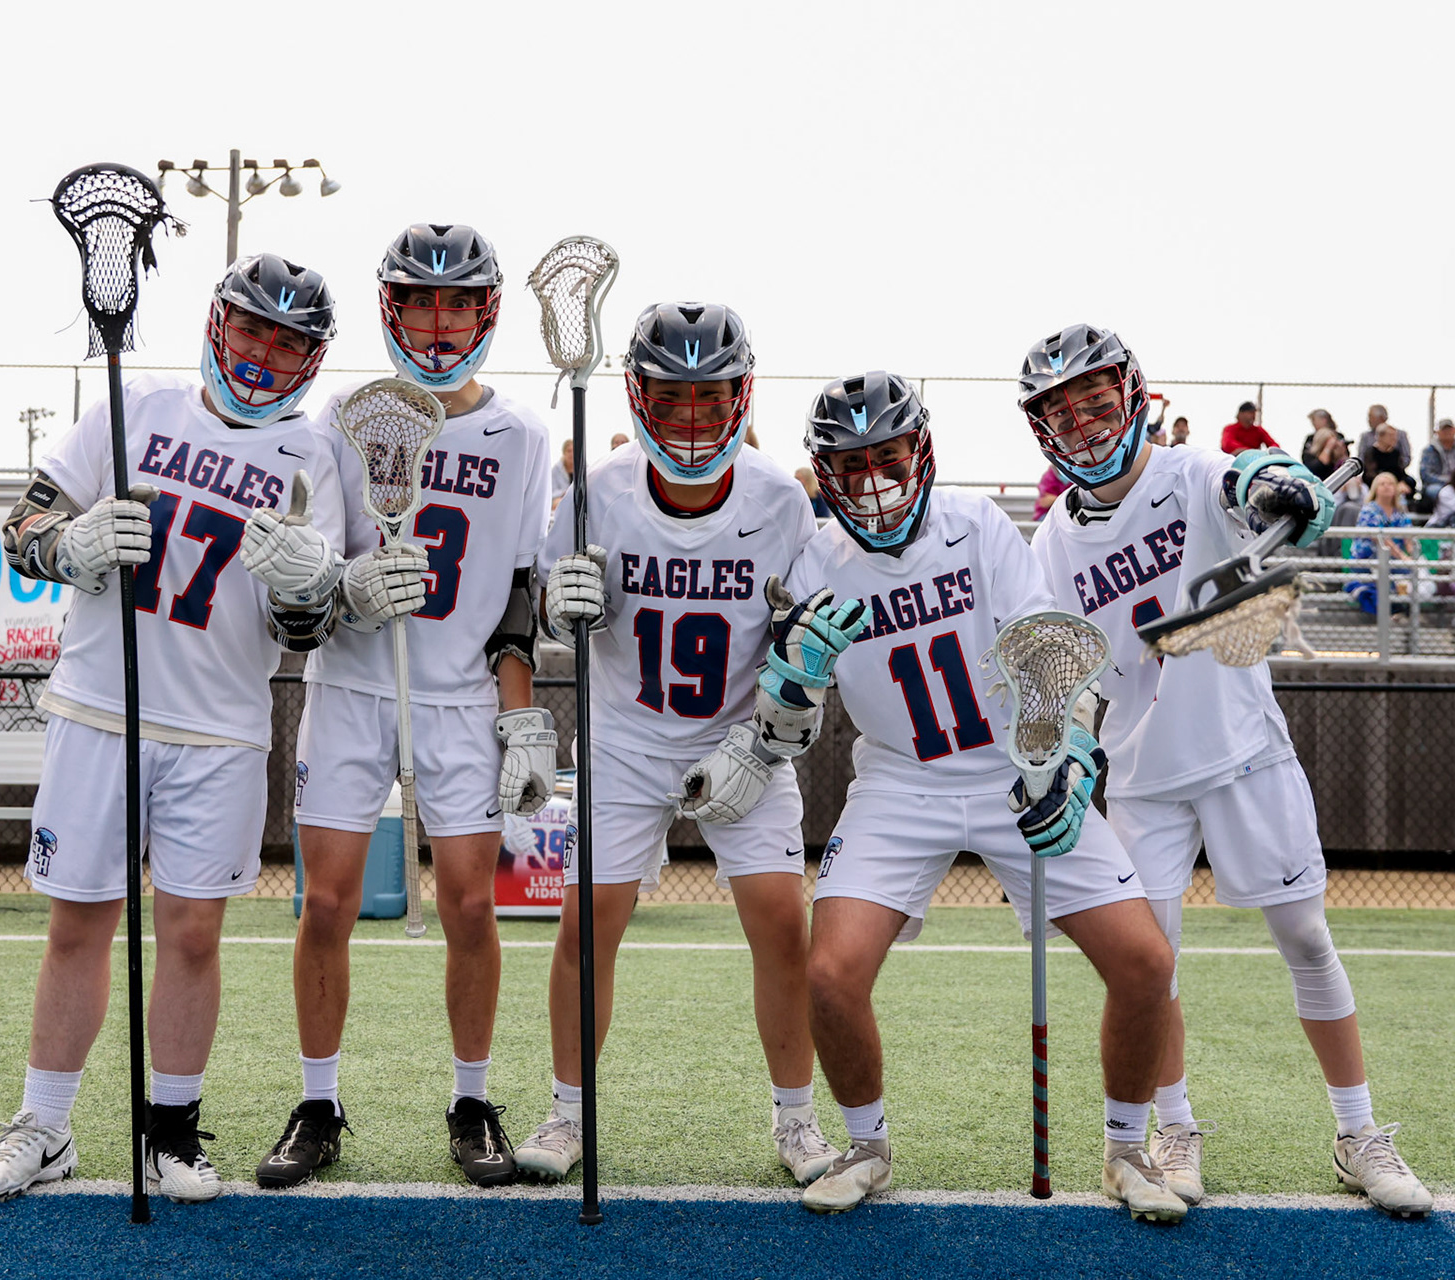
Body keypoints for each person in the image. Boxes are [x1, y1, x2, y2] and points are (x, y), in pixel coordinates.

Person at [0, 253, 345, 1206]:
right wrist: (72, 545)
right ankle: (44, 1127)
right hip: (100, 706)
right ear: (219, 326)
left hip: (222, 726)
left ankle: (170, 1129)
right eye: (253, 328)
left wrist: (305, 585)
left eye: (288, 340)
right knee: (79, 923)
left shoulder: (313, 455)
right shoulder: (132, 411)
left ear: (312, 356)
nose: (264, 352)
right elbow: (23, 530)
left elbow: (311, 627)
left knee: (193, 934)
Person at [1020, 324, 1431, 1219]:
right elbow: (1066, 659)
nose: (1084, 423)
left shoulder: (1189, 471)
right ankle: (1174, 1127)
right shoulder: (1053, 535)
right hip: (1139, 777)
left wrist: (1280, 480)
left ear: (1132, 396)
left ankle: (1357, 1133)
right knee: (1153, 968)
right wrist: (1066, 742)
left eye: (1095, 400)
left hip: (1245, 752)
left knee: (1307, 939)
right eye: (1063, 411)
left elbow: (1250, 479)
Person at [784, 369, 1183, 1221]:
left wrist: (1066, 756)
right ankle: (866, 1143)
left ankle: (1125, 1149)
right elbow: (788, 718)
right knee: (828, 974)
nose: (874, 481)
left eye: (887, 456)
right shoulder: (814, 560)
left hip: (1014, 766)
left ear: (920, 450)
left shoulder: (975, 527)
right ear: (826, 472)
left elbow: (1049, 649)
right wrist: (791, 682)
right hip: (900, 782)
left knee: (1146, 962)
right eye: (851, 466)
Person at [520, 304, 841, 1190]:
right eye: (672, 397)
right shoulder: (600, 494)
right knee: (587, 924)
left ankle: (797, 1119)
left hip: (741, 738)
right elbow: (547, 609)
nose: (691, 417)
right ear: (640, 396)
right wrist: (564, 605)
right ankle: (567, 1111)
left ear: (740, 397)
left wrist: (769, 732)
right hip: (625, 734)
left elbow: (800, 642)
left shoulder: (780, 501)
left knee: (782, 923)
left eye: (709, 398)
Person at [267, 223, 554, 1191]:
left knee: (472, 902)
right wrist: (348, 585)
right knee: (330, 903)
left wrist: (520, 716)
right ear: (393, 308)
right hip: (351, 684)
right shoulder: (340, 416)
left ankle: (472, 1097)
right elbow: (306, 582)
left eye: (458, 302)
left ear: (486, 311)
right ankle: (318, 1099)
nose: (441, 321)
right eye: (422, 301)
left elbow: (519, 584)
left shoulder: (521, 434)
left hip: (461, 691)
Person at [1347, 473, 1415, 614]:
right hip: (1367, 560)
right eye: (1382, 484)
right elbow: (1379, 538)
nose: (1386, 487)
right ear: (1375, 489)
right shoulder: (1369, 510)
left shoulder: (1400, 513)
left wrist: (1412, 554)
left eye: (1390, 484)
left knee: (1414, 576)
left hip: (1393, 562)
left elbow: (1408, 537)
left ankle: (1404, 613)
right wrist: (1403, 557)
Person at [1416, 418, 1455, 512]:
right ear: (1437, 432)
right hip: (1438, 484)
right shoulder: (1429, 451)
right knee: (1435, 491)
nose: (1447, 432)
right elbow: (1425, 474)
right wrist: (1448, 481)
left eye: (1449, 429)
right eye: (1444, 430)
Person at [1356, 421, 1414, 498]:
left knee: (1410, 482)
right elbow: (1370, 474)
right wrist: (1391, 484)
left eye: (1395, 436)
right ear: (1381, 437)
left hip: (1395, 482)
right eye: (1391, 436)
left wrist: (1402, 482)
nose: (1394, 439)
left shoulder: (1396, 453)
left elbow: (1400, 471)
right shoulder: (1371, 453)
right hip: (1377, 482)